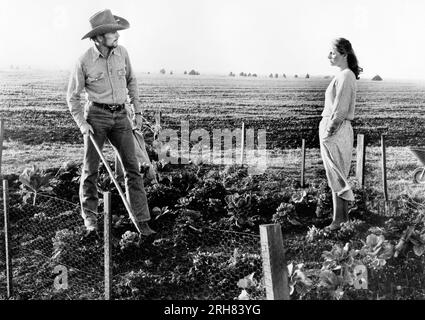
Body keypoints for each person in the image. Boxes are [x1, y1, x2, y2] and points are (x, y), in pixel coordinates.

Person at [66, 9, 156, 237]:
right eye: (112, 32)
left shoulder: (122, 53)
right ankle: (91, 222)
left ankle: (142, 221)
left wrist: (137, 109)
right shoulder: (83, 61)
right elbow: (72, 97)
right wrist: (82, 124)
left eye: (116, 31)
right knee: (90, 170)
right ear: (98, 37)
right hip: (96, 116)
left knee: (132, 169)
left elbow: (131, 80)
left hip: (121, 116)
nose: (117, 35)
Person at [319, 38, 363, 231]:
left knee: (336, 174)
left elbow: (340, 108)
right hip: (337, 129)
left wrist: (329, 131)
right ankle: (342, 220)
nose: (329, 56)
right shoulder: (345, 75)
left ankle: (338, 221)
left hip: (336, 129)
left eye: (332, 52)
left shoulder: (346, 75)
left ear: (344, 54)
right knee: (336, 174)